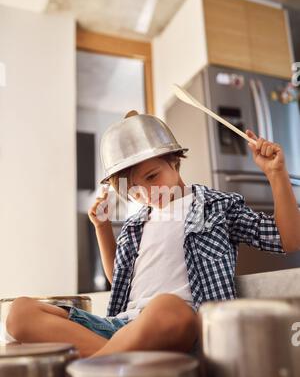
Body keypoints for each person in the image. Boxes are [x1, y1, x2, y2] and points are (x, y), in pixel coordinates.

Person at [6, 111, 300, 359]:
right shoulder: (136, 224)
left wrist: (276, 174)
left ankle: (92, 365)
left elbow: (288, 240)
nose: (146, 193)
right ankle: (112, 363)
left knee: (165, 306)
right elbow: (119, 278)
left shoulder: (216, 206)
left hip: (180, 323)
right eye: (133, 189)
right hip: (122, 328)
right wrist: (102, 228)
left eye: (152, 177)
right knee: (20, 313)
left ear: (174, 160)